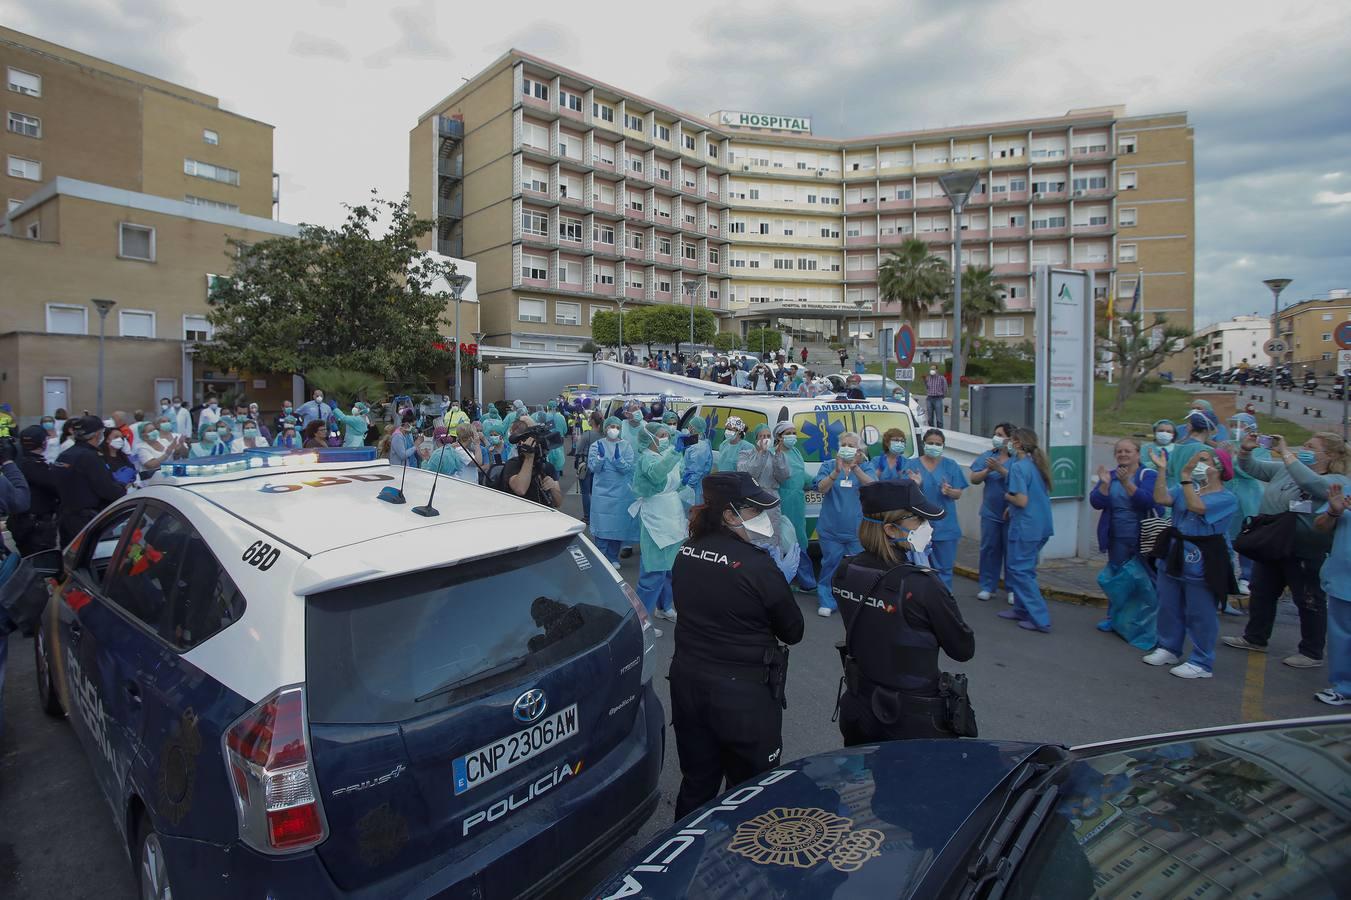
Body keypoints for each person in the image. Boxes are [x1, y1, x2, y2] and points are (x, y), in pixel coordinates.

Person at [668, 471, 804, 818]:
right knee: (751, 796)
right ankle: (743, 866)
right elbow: (793, 630)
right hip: (743, 696)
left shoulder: (687, 550)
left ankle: (681, 862)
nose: (763, 519)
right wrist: (779, 580)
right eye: (754, 511)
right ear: (729, 515)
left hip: (689, 686)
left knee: (697, 783)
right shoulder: (758, 565)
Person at [834, 480, 974, 744]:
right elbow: (962, 648)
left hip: (860, 704)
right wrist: (936, 586)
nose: (927, 528)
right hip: (913, 716)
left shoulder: (844, 571)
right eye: (919, 520)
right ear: (890, 529)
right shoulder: (920, 584)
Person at [1222, 432, 1344, 668]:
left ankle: (1311, 651)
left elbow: (1312, 484)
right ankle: (1255, 637)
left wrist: (1286, 452)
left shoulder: (1335, 479)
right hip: (1274, 542)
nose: (1305, 448)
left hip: (1305, 548)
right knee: (1262, 591)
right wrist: (1246, 451)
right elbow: (1254, 468)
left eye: (1311, 446)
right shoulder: (1286, 469)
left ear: (1328, 455)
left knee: (1308, 599)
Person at [1145, 447, 1237, 678]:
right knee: (1168, 603)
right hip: (1174, 552)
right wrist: (1162, 471)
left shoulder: (1226, 497)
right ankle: (1168, 647)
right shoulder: (1188, 487)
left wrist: (1185, 479)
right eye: (1195, 459)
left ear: (1219, 468)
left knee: (1200, 610)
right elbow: (1161, 498)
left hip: (1203, 556)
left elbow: (1198, 507)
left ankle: (1202, 660)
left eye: (1203, 460)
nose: (1196, 463)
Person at [1090, 438, 1161, 629]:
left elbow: (1147, 501)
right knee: (1118, 579)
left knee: (1146, 579)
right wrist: (1104, 485)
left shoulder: (1148, 475)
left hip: (1143, 536)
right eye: (1119, 451)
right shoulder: (1110, 475)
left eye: (1127, 451)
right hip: (1116, 537)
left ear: (1138, 454)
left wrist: (1127, 483)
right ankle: (1114, 619)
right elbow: (1096, 502)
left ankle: (1148, 621)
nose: (1123, 454)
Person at [998, 427, 1055, 633]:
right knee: (1022, 568)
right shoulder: (1035, 465)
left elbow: (1021, 499)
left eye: (1011, 440)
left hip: (1026, 527)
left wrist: (1007, 498)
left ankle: (1040, 619)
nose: (1008, 444)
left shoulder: (1019, 467)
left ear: (1019, 444)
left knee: (1021, 572)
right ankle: (1021, 610)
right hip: (1040, 525)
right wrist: (1010, 508)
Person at [811, 432, 874, 618]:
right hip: (831, 528)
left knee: (857, 570)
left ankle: (855, 602)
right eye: (844, 444)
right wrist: (836, 472)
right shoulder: (829, 466)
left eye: (851, 445)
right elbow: (821, 488)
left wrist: (856, 469)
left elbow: (873, 486)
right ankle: (827, 600)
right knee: (830, 564)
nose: (846, 447)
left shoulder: (865, 467)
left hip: (856, 530)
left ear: (859, 450)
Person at [631, 423, 686, 622]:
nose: (666, 438)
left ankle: (664, 606)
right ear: (650, 438)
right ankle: (641, 619)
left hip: (672, 515)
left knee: (669, 568)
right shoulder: (646, 458)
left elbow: (673, 482)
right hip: (655, 518)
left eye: (667, 435)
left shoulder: (666, 455)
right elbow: (656, 474)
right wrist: (675, 453)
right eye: (661, 435)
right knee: (653, 572)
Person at [902, 429, 967, 587]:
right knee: (919, 568)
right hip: (918, 525)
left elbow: (958, 493)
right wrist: (914, 484)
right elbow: (903, 493)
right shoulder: (912, 465)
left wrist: (950, 491)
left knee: (944, 569)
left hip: (946, 526)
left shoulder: (950, 465)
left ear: (943, 446)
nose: (934, 446)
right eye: (930, 443)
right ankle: (921, 603)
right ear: (924, 444)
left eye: (938, 444)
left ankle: (944, 602)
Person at [52, 416, 126, 544]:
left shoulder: (65, 455)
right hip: (86, 520)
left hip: (66, 517)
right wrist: (122, 488)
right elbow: (107, 489)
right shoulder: (89, 457)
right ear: (97, 434)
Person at [1313, 483, 1351, 705]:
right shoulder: (1346, 488)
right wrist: (1333, 512)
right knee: (1341, 637)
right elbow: (1320, 526)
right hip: (1342, 578)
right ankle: (1344, 687)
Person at [969, 423, 1015, 603]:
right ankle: (988, 586)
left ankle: (1012, 588)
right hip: (990, 512)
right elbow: (973, 478)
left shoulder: (1017, 459)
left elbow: (1020, 479)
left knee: (1011, 550)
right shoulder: (988, 457)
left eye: (1000, 434)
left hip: (1012, 512)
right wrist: (988, 470)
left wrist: (1000, 470)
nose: (995, 437)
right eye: (995, 433)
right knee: (989, 549)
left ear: (1010, 439)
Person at [768, 421, 816, 592]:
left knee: (800, 540)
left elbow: (801, 474)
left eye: (794, 432)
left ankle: (807, 581)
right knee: (780, 541)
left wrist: (817, 482)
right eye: (788, 433)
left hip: (797, 501)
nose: (793, 436)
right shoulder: (773, 454)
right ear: (779, 436)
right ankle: (779, 581)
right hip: (780, 501)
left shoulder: (795, 451)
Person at [587, 417, 638, 565]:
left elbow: (628, 469)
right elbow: (593, 468)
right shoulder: (597, 445)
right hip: (602, 493)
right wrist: (600, 458)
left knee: (617, 527)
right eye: (611, 426)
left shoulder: (626, 446)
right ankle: (601, 560)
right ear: (605, 428)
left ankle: (613, 557)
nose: (614, 429)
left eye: (617, 426)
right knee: (602, 526)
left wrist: (618, 460)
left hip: (621, 493)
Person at [9, 425, 55, 555]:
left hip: (25, 523)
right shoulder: (34, 466)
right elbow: (53, 485)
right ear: (42, 443)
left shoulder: (18, 462)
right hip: (35, 526)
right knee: (41, 564)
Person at [503, 418, 563, 507]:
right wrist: (529, 457)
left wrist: (553, 487)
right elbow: (520, 489)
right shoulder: (512, 464)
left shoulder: (547, 467)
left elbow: (558, 503)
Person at [576, 411, 606, 522]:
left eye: (589, 419)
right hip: (600, 466)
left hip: (586, 466)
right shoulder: (604, 435)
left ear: (592, 421)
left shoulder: (587, 435)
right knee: (597, 492)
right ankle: (598, 514)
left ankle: (587, 516)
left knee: (585, 492)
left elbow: (578, 449)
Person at [679, 415, 713, 508]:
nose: (688, 428)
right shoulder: (697, 440)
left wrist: (688, 486)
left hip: (695, 487)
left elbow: (696, 471)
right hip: (694, 483)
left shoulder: (699, 447)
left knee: (693, 511)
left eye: (689, 426)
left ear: (693, 428)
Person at [1141, 419, 1180, 489]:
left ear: (1173, 434)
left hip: (1171, 487)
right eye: (1161, 431)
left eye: (1169, 431)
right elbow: (1140, 466)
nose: (1164, 433)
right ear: (1155, 432)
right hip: (1148, 485)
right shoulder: (1145, 448)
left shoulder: (1179, 449)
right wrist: (1157, 463)